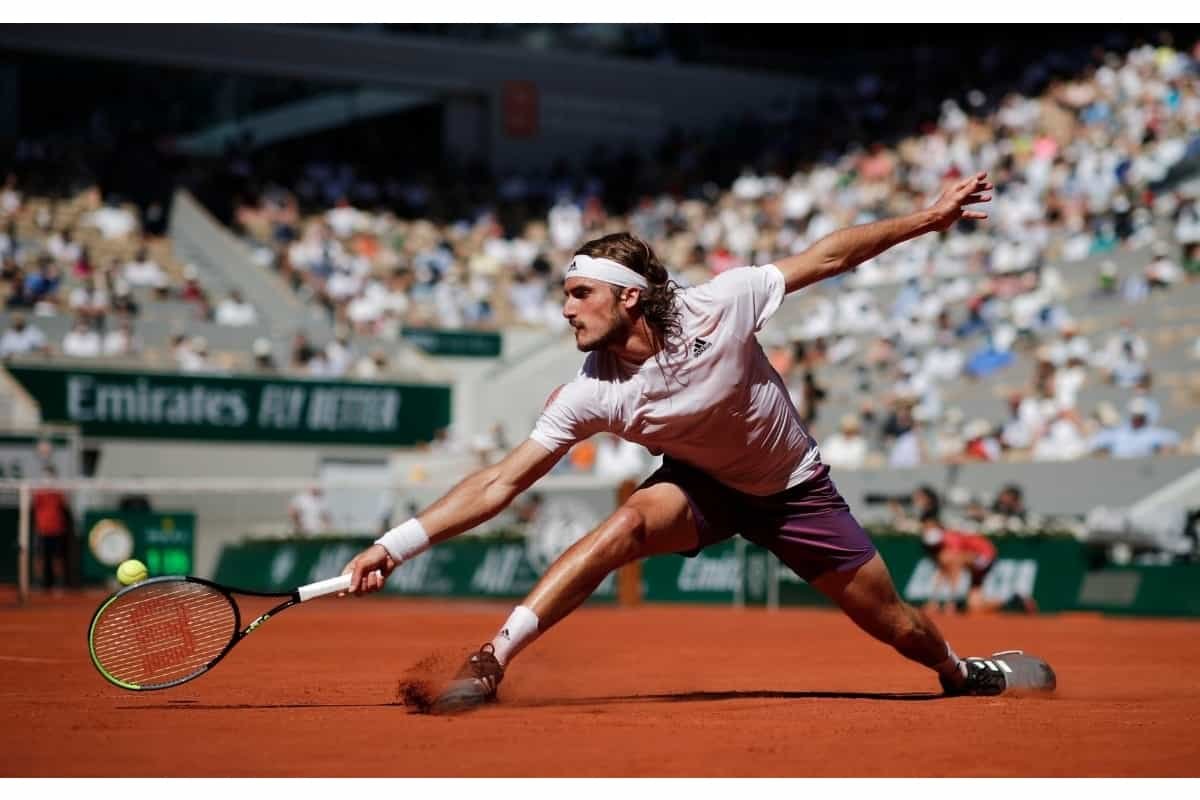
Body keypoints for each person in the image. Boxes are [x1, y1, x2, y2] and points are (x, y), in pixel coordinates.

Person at [342, 172, 1054, 711]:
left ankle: (963, 673)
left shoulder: (721, 302)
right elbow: (500, 482)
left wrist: (928, 219)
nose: (565, 310)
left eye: (579, 295)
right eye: (565, 296)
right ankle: (493, 659)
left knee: (899, 626)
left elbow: (828, 257)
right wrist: (396, 544)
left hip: (795, 491)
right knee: (623, 524)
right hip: (703, 485)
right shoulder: (591, 390)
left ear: (628, 298)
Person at [31, 465, 73, 591]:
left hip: (57, 530)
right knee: (40, 557)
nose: (47, 479)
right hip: (42, 530)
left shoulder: (58, 492)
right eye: (45, 476)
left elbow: (65, 503)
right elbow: (33, 504)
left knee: (57, 557)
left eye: (50, 476)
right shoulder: (38, 492)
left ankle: (58, 583)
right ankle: (38, 582)